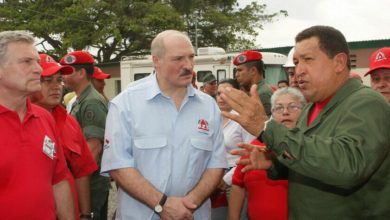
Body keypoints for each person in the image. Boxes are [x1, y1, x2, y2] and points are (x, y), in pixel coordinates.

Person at [220, 25, 390, 219]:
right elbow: (311, 161)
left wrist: (266, 127)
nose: (298, 70)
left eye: (308, 60)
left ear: (339, 62)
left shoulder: (367, 103)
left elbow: (348, 165)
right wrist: (273, 163)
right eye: (296, 62)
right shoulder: (310, 107)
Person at [101, 30, 227, 220]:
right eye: (178, 59)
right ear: (156, 61)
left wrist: (188, 205)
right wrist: (162, 205)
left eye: (191, 57)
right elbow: (118, 165)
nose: (188, 66)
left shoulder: (209, 106)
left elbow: (216, 164)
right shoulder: (126, 104)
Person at [0, 30, 75, 219]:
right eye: (26, 62)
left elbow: (58, 180)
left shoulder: (45, 117)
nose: (38, 69)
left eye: (37, 62)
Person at [31, 53, 99, 220]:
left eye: (59, 79)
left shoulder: (70, 122)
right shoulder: (17, 121)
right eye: (47, 80)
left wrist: (85, 214)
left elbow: (82, 172)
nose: (56, 86)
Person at [229, 87, 306, 220]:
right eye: (279, 108)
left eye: (292, 107)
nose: (285, 112)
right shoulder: (255, 146)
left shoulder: (309, 146)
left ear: (304, 112)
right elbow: (237, 184)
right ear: (272, 114)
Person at [60, 51, 110, 220]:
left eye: (67, 71)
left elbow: (93, 149)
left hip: (91, 185)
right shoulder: (81, 99)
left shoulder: (91, 101)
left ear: (81, 73)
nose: (62, 75)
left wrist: (79, 187)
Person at [212, 78, 254, 220]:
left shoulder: (243, 120)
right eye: (219, 94)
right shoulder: (211, 118)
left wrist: (227, 179)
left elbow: (249, 153)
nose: (221, 98)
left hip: (236, 179)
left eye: (226, 93)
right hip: (213, 178)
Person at [233, 50, 274, 116]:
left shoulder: (263, 93)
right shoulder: (257, 91)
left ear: (253, 71)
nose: (236, 75)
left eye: (240, 70)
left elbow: (264, 123)